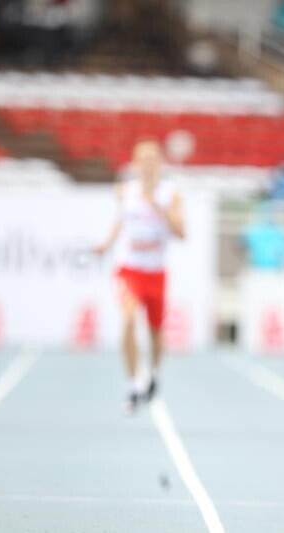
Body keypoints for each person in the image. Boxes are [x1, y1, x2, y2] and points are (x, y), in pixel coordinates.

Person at [94, 139, 185, 413]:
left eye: (152, 159)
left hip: (156, 271)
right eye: (143, 159)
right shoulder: (125, 191)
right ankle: (133, 384)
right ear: (134, 163)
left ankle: (154, 373)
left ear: (160, 163)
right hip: (129, 268)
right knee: (129, 318)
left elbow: (181, 232)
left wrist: (159, 207)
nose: (148, 164)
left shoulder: (170, 194)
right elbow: (120, 223)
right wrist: (105, 245)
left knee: (155, 330)